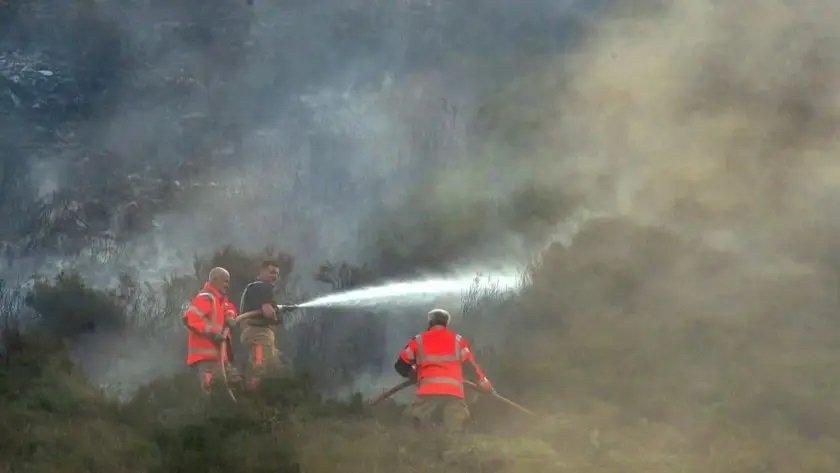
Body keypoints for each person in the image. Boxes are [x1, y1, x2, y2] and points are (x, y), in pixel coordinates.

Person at [394, 308, 493, 432]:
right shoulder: (458, 341)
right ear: (446, 324)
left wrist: (413, 374)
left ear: (430, 323)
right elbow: (470, 366)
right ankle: (460, 447)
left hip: (428, 391)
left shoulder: (418, 340)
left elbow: (400, 365)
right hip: (453, 392)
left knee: (414, 424)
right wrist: (483, 383)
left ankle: (416, 445)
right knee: (459, 427)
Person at [182, 267, 240, 393]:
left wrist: (230, 316)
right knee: (211, 392)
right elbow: (190, 318)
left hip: (220, 358)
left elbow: (229, 308)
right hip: (206, 360)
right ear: (214, 280)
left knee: (235, 385)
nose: (228, 285)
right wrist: (213, 334)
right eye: (225, 281)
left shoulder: (220, 300)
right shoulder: (205, 298)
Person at [238, 260, 290, 390]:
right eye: (272, 272)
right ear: (261, 272)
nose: (275, 276)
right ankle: (253, 398)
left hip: (251, 333)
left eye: (277, 274)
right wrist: (278, 315)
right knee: (261, 370)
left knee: (277, 363)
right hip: (259, 334)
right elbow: (268, 312)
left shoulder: (253, 287)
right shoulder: (264, 287)